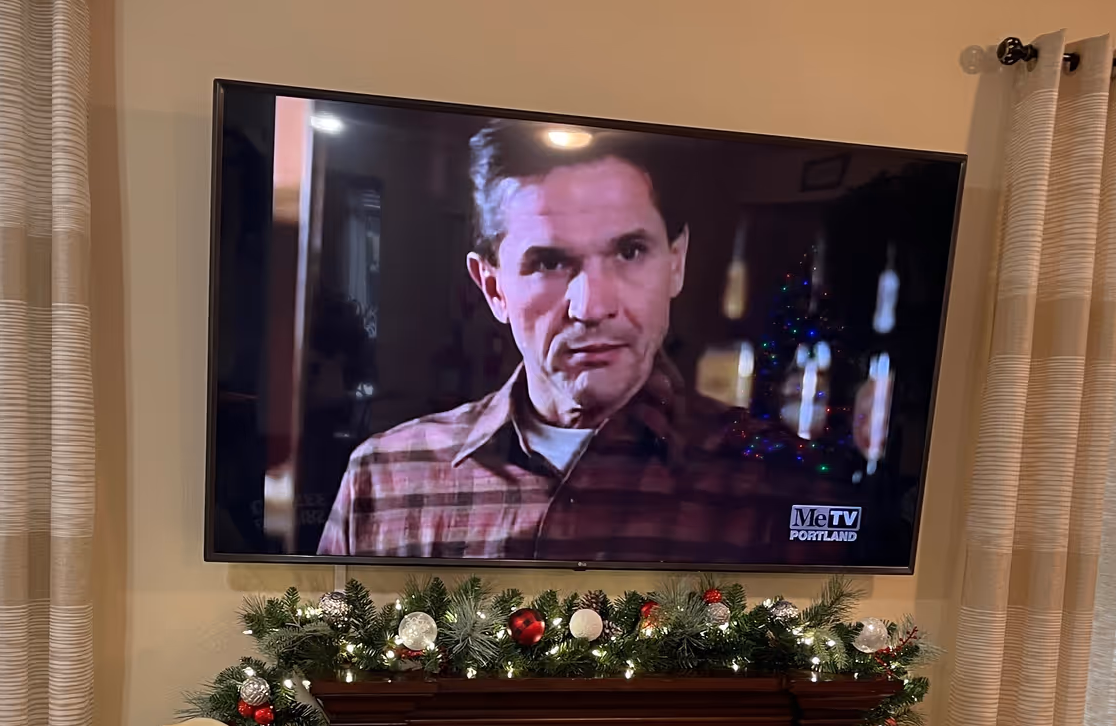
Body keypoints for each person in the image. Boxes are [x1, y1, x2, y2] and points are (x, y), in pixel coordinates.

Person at [317, 121, 820, 561]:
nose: (591, 307)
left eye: (630, 251)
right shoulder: (386, 479)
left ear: (676, 262)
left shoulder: (780, 482)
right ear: (493, 287)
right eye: (549, 263)